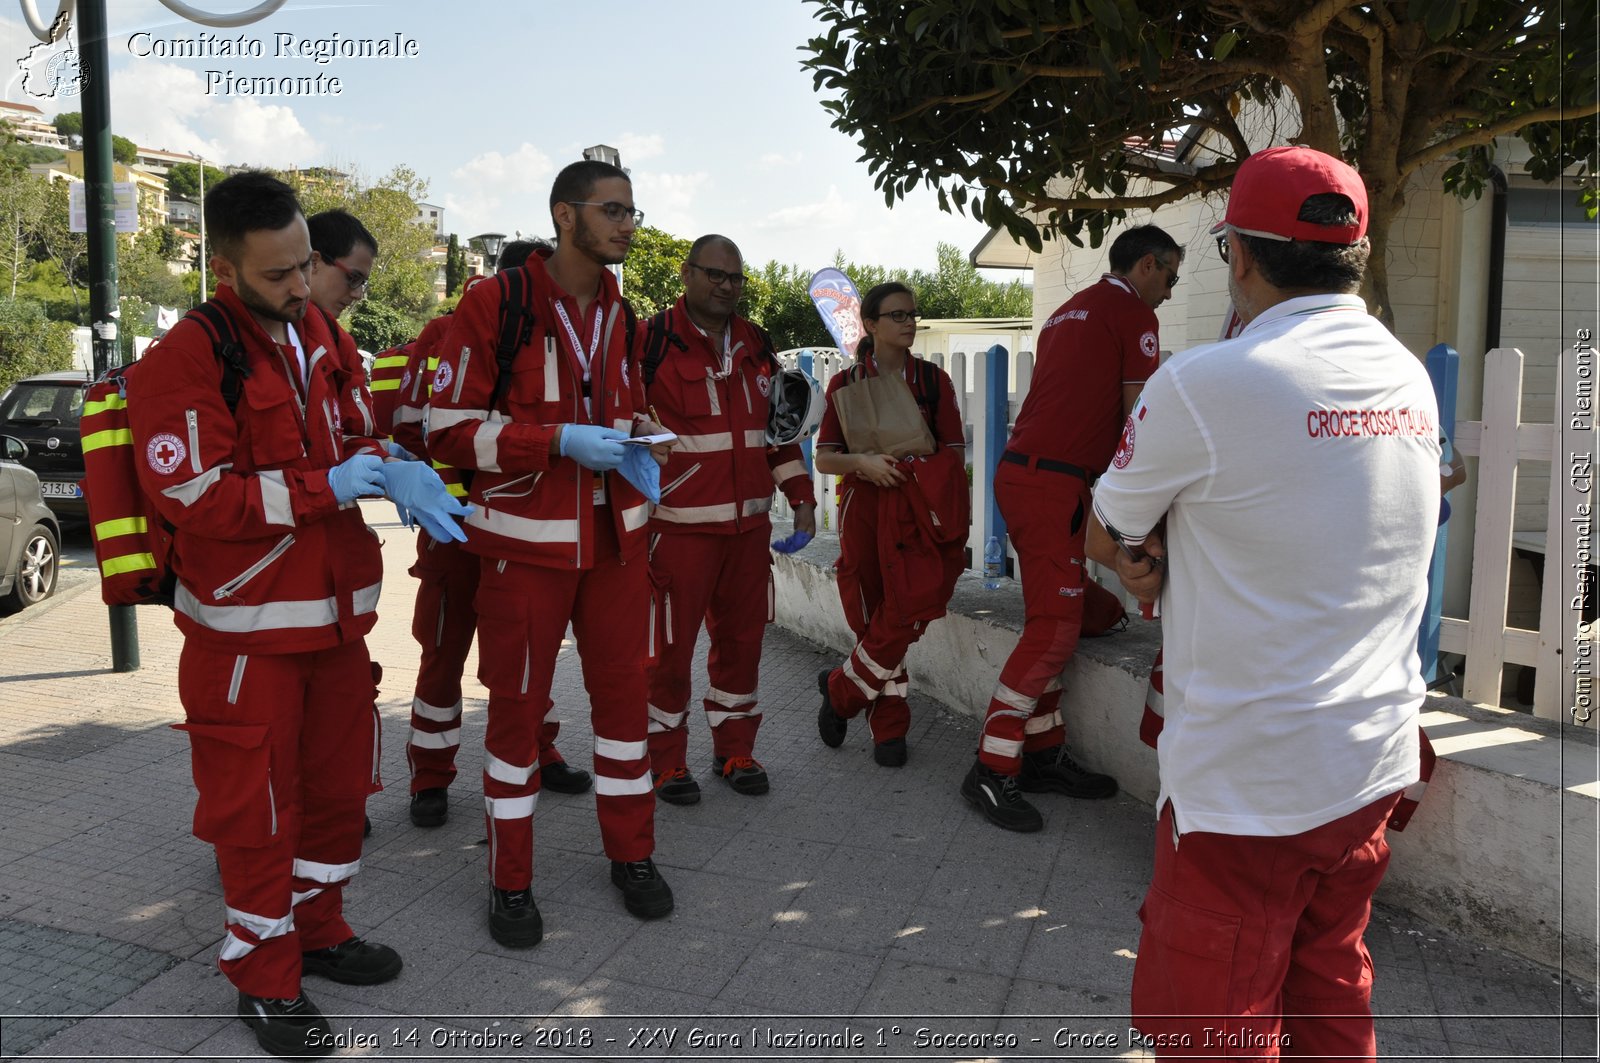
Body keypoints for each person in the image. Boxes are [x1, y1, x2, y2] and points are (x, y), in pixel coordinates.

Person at [1087, 145, 1440, 1058]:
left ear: (1239, 256)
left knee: (1210, 1028)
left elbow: (1110, 527)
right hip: (1367, 768)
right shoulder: (1409, 379)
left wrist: (1140, 561)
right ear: (1352, 255)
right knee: (1330, 992)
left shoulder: (1206, 383)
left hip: (1250, 790)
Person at [125, 172, 425, 1059]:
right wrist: (322, 486)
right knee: (256, 813)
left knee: (338, 795)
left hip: (335, 627)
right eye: (280, 274)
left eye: (307, 264)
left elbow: (355, 426)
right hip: (244, 637)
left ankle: (321, 926)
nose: (303, 285)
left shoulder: (320, 331)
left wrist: (388, 460)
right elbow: (196, 497)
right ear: (224, 268)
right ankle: (264, 976)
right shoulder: (185, 357)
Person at [426, 159, 675, 949]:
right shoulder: (493, 302)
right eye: (613, 210)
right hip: (525, 553)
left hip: (615, 548)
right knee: (515, 714)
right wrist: (556, 440)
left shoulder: (622, 311)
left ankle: (632, 856)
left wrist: (635, 433)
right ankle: (510, 879)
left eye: (633, 211)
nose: (629, 224)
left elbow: (624, 398)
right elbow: (445, 426)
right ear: (565, 215)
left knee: (625, 710)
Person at [964, 224, 1183, 832]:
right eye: (1169, 275)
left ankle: (1040, 752)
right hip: (1056, 482)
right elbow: (1138, 417)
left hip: (1031, 475)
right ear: (1147, 266)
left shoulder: (1068, 311)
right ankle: (992, 765)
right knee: (1053, 630)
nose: (1169, 290)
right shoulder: (1133, 313)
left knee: (1059, 620)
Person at [395, 241, 592, 830]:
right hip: (454, 532)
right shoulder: (445, 334)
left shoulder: (563, 331)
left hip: (525, 533)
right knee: (443, 655)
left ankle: (538, 748)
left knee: (529, 662)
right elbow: (414, 429)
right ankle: (430, 775)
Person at [641, 234, 818, 804]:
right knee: (668, 650)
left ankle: (734, 750)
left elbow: (778, 434)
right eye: (714, 274)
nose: (725, 286)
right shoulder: (648, 343)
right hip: (677, 530)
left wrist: (803, 499)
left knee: (743, 643)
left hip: (748, 532)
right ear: (687, 274)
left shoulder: (756, 343)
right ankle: (664, 760)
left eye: (735, 278)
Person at [813, 282, 968, 767]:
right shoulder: (845, 384)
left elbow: (954, 455)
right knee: (874, 608)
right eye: (897, 315)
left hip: (918, 510)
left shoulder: (933, 382)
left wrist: (909, 469)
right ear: (872, 324)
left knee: (906, 610)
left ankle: (842, 690)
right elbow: (824, 459)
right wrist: (865, 463)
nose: (909, 322)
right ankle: (890, 726)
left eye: (912, 314)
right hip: (865, 509)